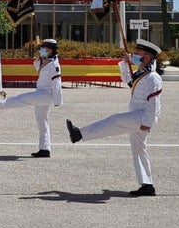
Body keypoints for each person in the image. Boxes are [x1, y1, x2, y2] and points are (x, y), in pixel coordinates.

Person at [66, 39, 163, 196]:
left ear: (147, 57)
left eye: (138, 54)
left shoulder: (153, 77)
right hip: (137, 114)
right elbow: (128, 80)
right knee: (139, 149)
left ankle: (79, 134)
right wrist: (125, 63)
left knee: (114, 121)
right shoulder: (142, 73)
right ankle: (147, 185)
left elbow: (154, 103)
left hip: (142, 117)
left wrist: (148, 123)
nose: (134, 55)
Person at [0, 38, 63, 157]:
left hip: (47, 94)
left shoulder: (54, 64)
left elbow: (57, 82)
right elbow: (39, 70)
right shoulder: (47, 60)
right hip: (41, 92)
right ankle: (45, 149)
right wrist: (38, 59)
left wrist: (58, 100)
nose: (42, 50)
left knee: (22, 99)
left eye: (44, 48)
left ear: (50, 49)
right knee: (42, 121)